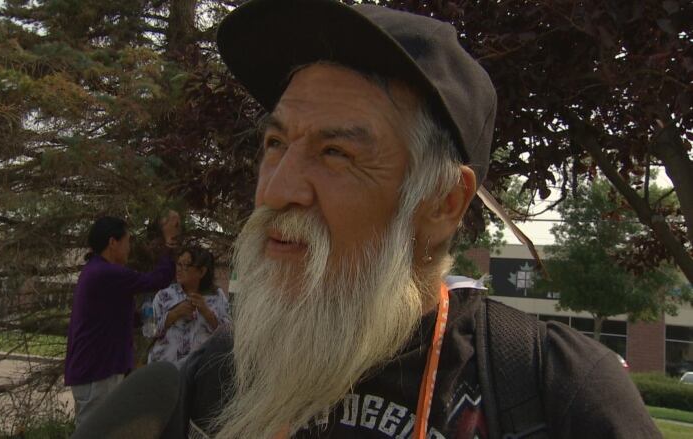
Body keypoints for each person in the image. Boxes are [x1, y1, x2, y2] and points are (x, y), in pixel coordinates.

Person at [166, 1, 661, 438]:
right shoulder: (215, 380)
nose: (275, 189)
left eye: (335, 153)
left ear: (444, 200)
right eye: (275, 144)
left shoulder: (556, 391)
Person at [64, 212, 179, 426]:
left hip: (98, 369)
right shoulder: (105, 273)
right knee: (97, 431)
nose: (129, 248)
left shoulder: (98, 271)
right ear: (112, 242)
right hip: (97, 372)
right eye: (127, 242)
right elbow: (158, 279)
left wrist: (141, 318)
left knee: (103, 430)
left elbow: (108, 316)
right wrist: (169, 241)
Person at [147, 246, 230, 367]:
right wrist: (174, 314)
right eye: (178, 264)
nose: (179, 270)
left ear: (201, 272)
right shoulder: (164, 295)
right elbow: (150, 332)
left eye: (185, 265)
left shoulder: (217, 296)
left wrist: (207, 312)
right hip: (165, 368)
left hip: (200, 370)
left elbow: (227, 334)